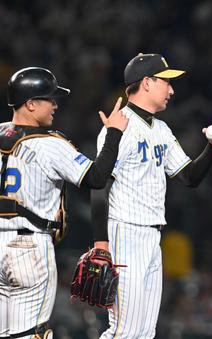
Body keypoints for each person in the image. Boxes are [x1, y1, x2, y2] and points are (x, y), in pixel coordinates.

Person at [91, 53, 212, 339]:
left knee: (145, 332)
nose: (171, 89)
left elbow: (189, 177)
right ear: (146, 83)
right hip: (125, 232)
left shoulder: (162, 129)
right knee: (124, 330)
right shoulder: (119, 126)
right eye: (165, 82)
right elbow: (99, 186)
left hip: (152, 235)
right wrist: (101, 244)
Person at [0, 67, 128, 338]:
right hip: (30, 248)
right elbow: (96, 178)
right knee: (30, 335)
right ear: (31, 103)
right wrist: (114, 133)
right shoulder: (51, 145)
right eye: (50, 99)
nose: (55, 105)